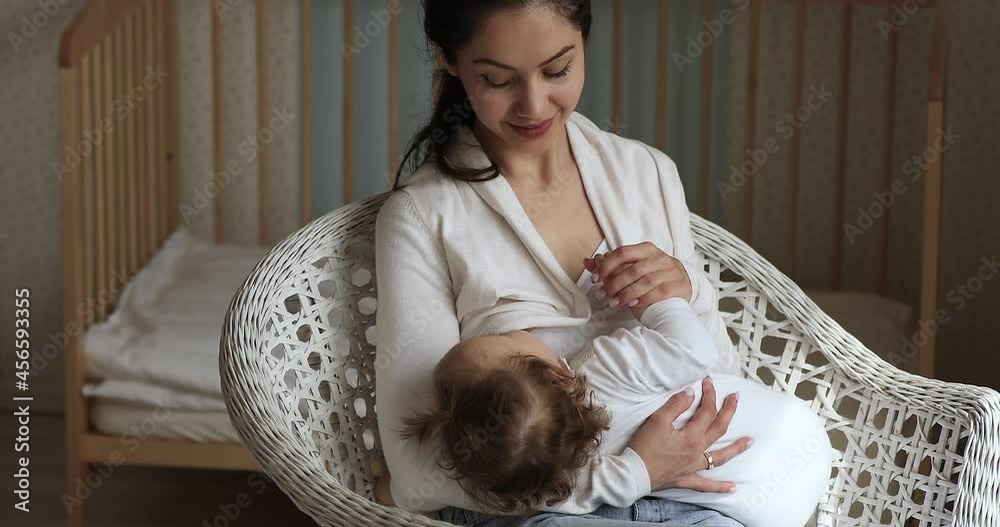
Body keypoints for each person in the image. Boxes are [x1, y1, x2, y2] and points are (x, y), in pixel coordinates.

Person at [374, 0, 809, 524]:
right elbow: (418, 472)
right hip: (540, 513)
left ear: (584, 42)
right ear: (450, 60)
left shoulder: (646, 173)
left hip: (689, 500)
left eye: (557, 70)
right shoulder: (423, 216)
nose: (533, 106)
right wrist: (628, 475)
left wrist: (685, 291)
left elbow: (717, 380)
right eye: (496, 80)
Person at [392, 252, 832, 527]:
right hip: (797, 447)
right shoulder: (607, 371)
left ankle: (447, 513)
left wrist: (638, 474)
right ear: (560, 376)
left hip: (758, 511)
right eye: (503, 337)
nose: (514, 330)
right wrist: (655, 300)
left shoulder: (554, 468)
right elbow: (693, 348)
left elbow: (567, 500)